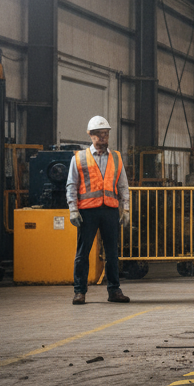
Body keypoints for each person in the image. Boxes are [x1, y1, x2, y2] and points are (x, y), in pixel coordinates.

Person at [67, 116, 131, 304]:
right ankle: (79, 292)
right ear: (90, 135)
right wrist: (73, 209)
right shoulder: (78, 158)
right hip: (87, 212)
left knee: (112, 253)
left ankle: (114, 291)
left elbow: (123, 185)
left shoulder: (116, 158)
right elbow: (71, 184)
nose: (103, 138)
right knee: (82, 253)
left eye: (106, 134)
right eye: (99, 134)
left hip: (110, 210)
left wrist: (125, 209)